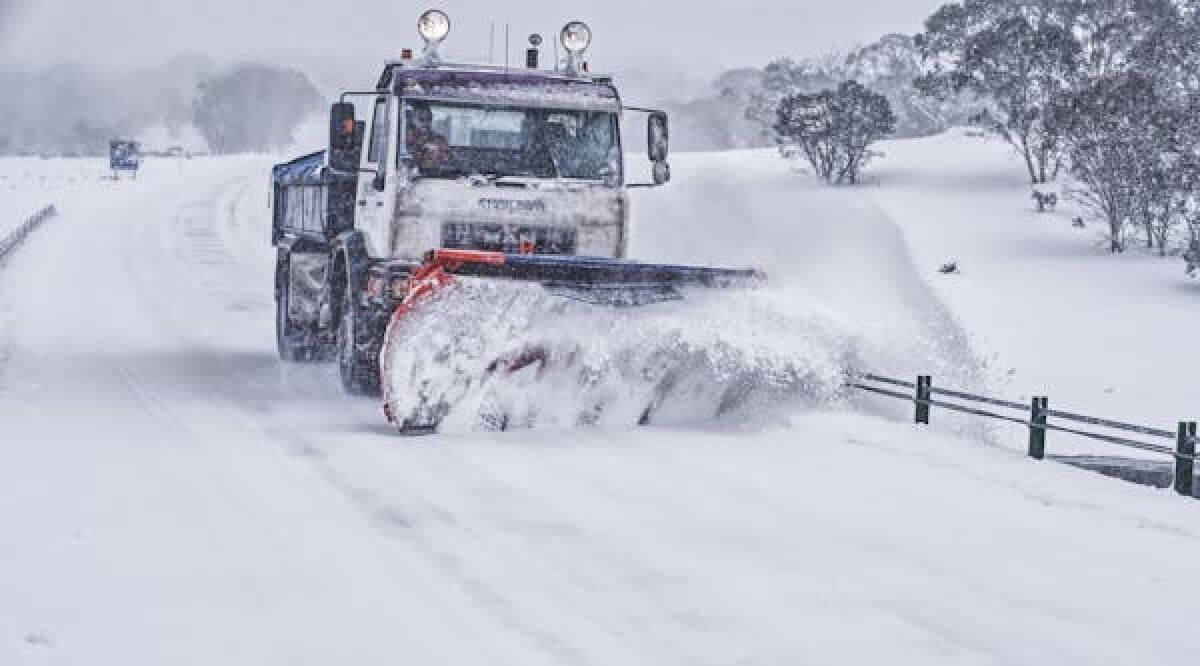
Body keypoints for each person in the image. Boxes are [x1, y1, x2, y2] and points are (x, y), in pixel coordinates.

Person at [406, 104, 449, 169]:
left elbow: (446, 163)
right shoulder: (403, 139)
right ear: (413, 120)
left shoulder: (440, 140)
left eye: (429, 119)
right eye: (421, 119)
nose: (426, 123)